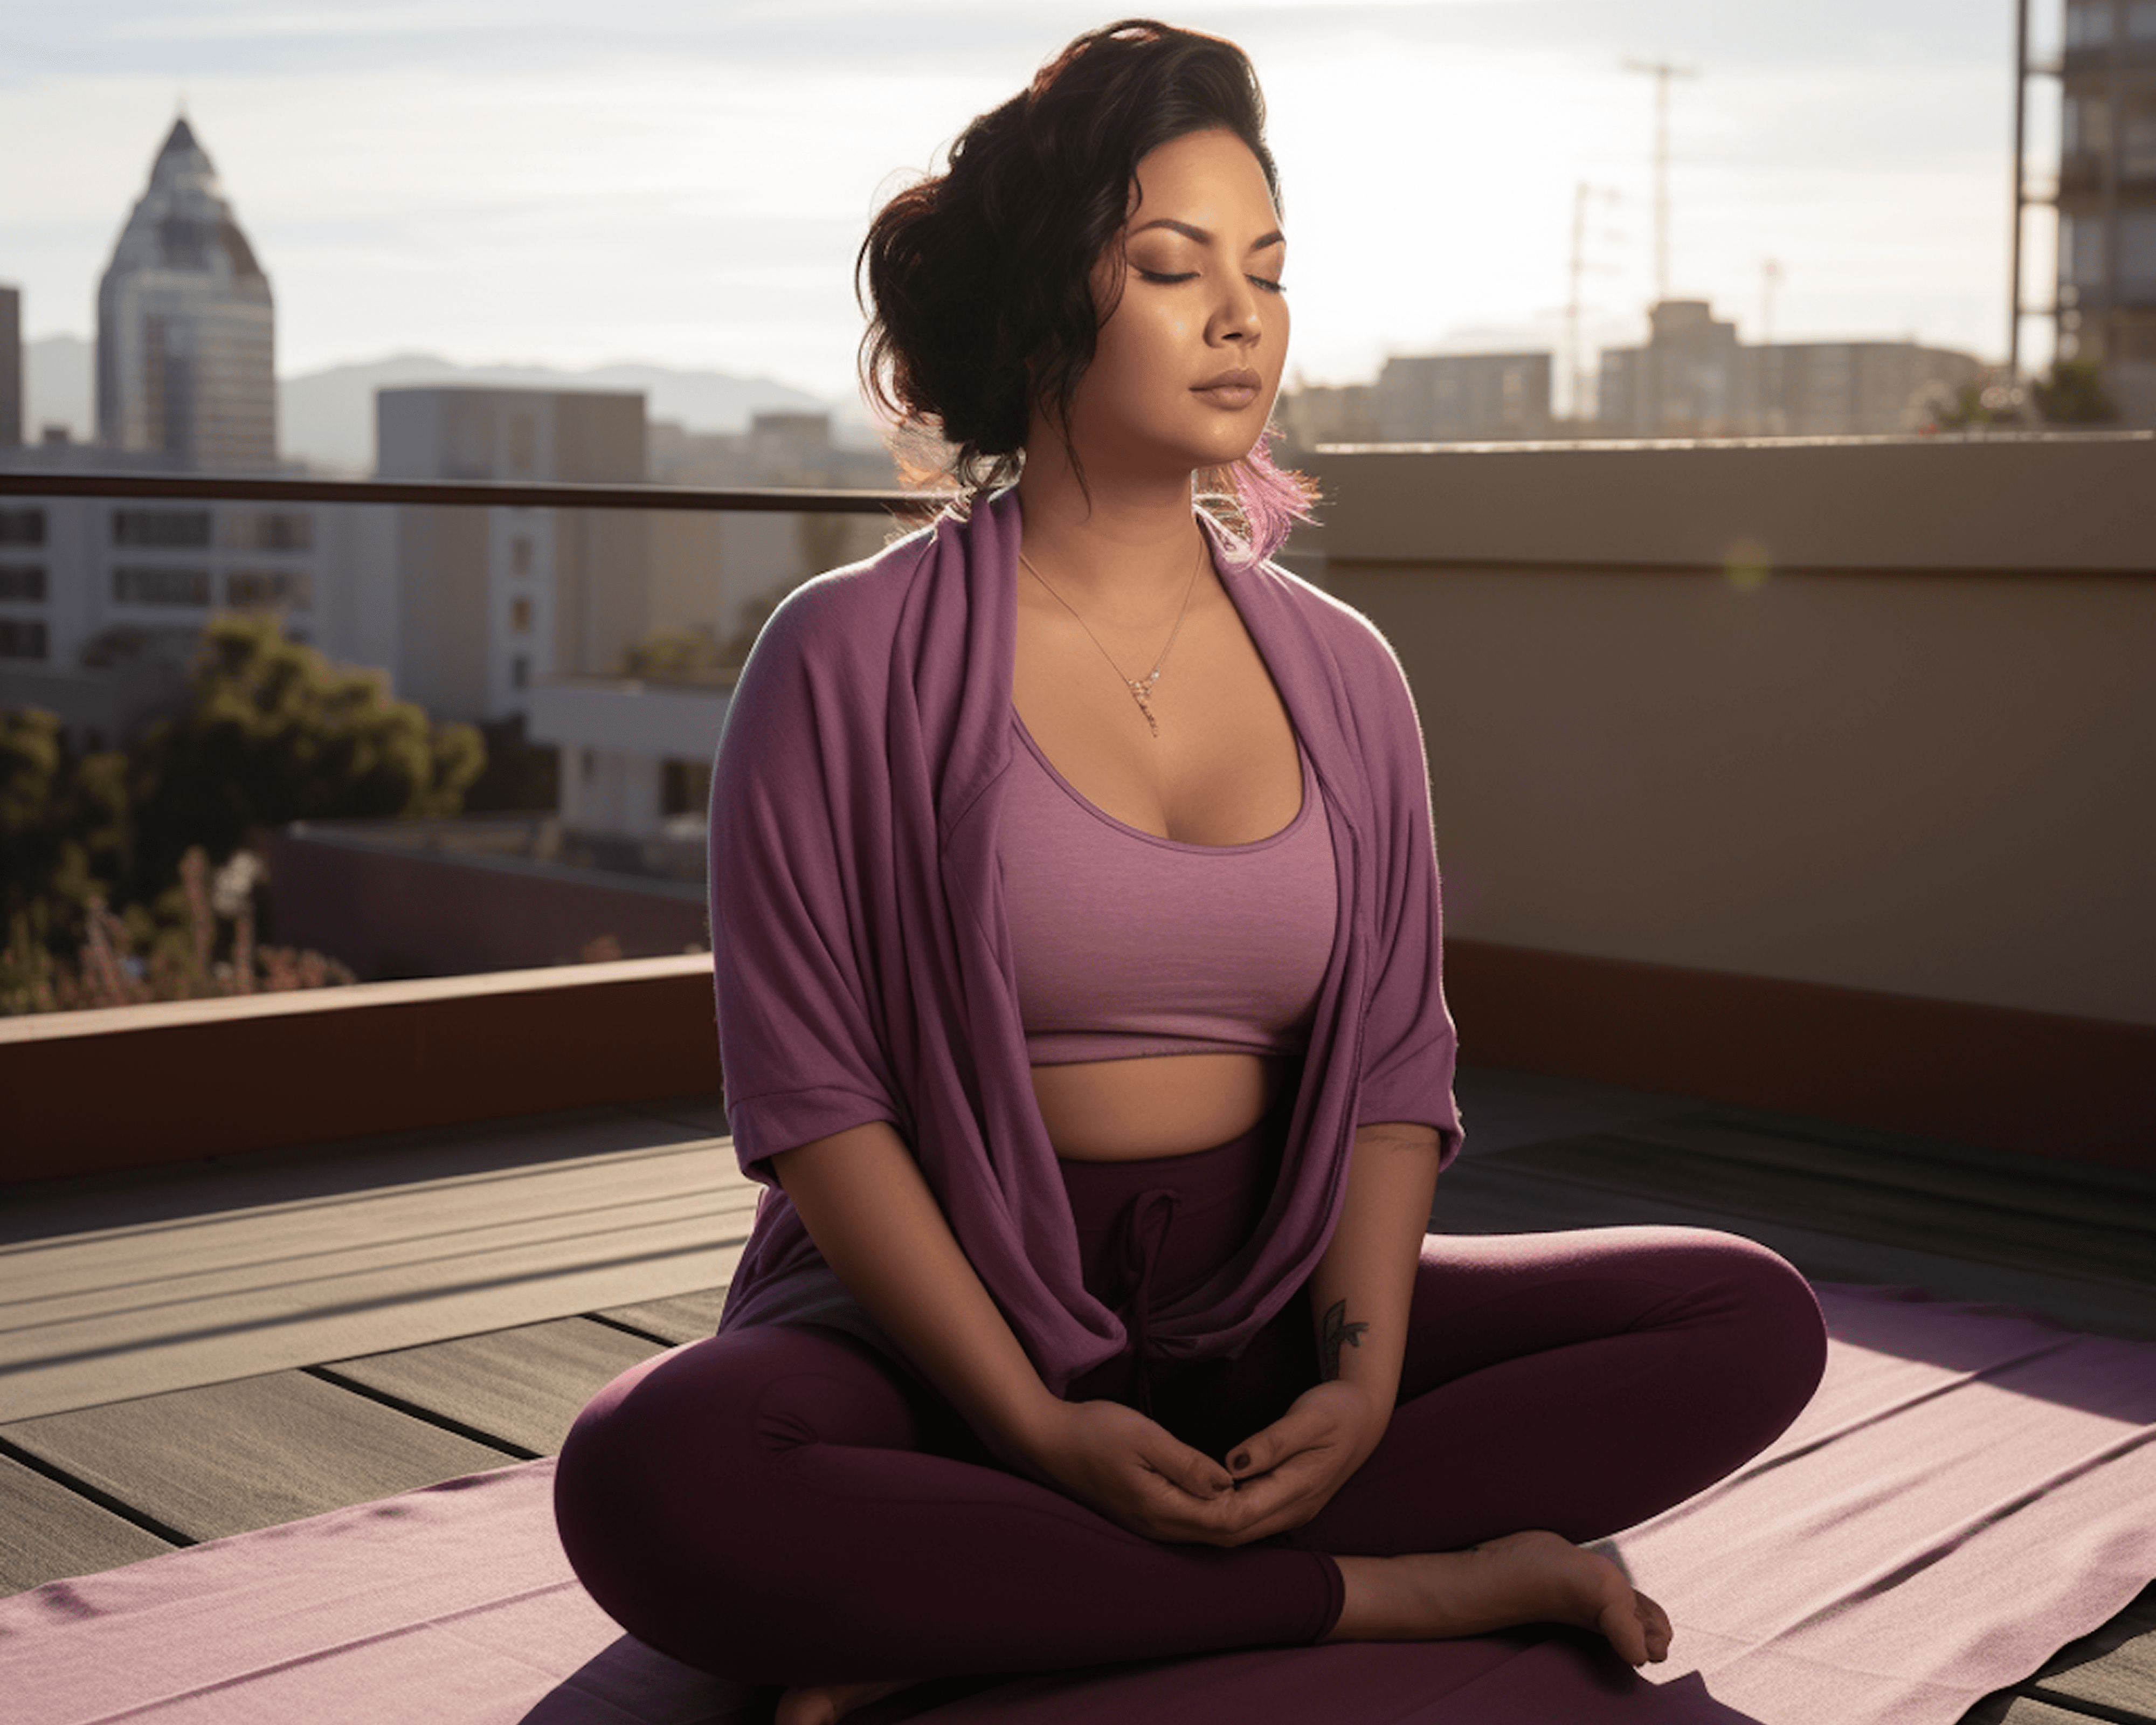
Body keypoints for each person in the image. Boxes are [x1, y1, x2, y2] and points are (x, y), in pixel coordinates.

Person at [554, 20, 1828, 1725]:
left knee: (1742, 1320)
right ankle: (1397, 1591)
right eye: (1172, 266)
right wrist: (1032, 1421)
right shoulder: (843, 653)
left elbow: (1389, 1078)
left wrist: (1363, 1391)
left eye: (1270, 269)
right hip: (937, 1318)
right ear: (1040, 300)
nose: (1243, 316)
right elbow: (817, 1105)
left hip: (1270, 1300)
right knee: (657, 1470)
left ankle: (990, 1591)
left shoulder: (1349, 673)